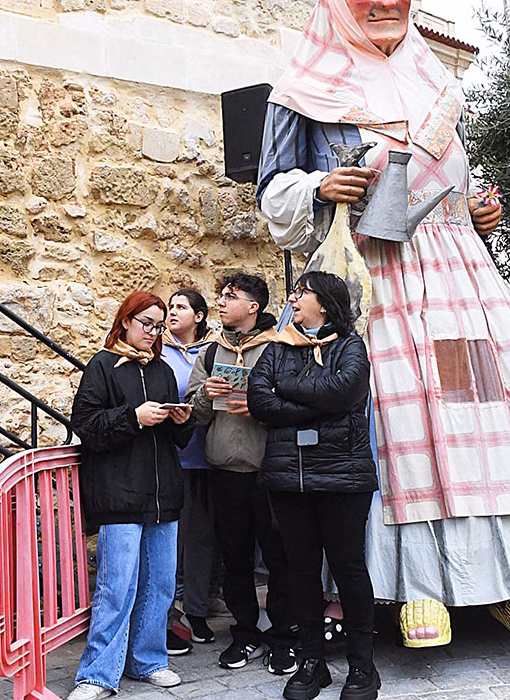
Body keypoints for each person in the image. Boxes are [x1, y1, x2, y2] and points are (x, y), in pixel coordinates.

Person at [256, 0, 510, 646]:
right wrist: (319, 187)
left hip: (458, 285)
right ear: (338, 0)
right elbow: (272, 192)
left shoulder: (437, 85)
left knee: (484, 418)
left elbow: (455, 179)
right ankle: (418, 589)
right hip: (374, 282)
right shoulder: (300, 91)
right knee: (401, 431)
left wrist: (480, 214)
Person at [248, 271, 380, 700]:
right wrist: (317, 402)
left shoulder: (351, 345)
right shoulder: (278, 347)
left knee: (349, 570)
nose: (294, 299)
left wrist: (288, 389)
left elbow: (345, 391)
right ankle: (311, 662)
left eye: (301, 293)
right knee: (300, 572)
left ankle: (363, 666)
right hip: (291, 477)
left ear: (323, 303)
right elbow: (259, 401)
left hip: (344, 478)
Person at [68, 291, 194, 700]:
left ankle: (148, 661)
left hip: (163, 494)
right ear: (125, 321)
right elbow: (86, 423)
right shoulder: (102, 366)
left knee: (159, 586)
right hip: (119, 494)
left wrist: (181, 421)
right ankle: (97, 674)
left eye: (160, 326)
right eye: (148, 324)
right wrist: (132, 417)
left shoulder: (162, 370)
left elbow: (176, 440)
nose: (155, 333)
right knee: (115, 587)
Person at [185, 274, 295, 673]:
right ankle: (245, 633)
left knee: (280, 558)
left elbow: (295, 404)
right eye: (221, 295)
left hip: (270, 472)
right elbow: (193, 416)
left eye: (230, 296)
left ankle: (283, 636)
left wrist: (261, 406)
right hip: (224, 471)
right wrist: (205, 394)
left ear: (254, 307)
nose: (221, 301)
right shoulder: (211, 352)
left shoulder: (280, 348)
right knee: (235, 557)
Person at [160, 289, 218, 652]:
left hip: (208, 456)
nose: (172, 313)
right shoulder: (157, 351)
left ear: (198, 316)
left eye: (181, 307)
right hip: (170, 459)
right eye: (170, 307)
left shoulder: (213, 351)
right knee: (169, 543)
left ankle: (196, 611)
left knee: (201, 542)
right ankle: (166, 616)